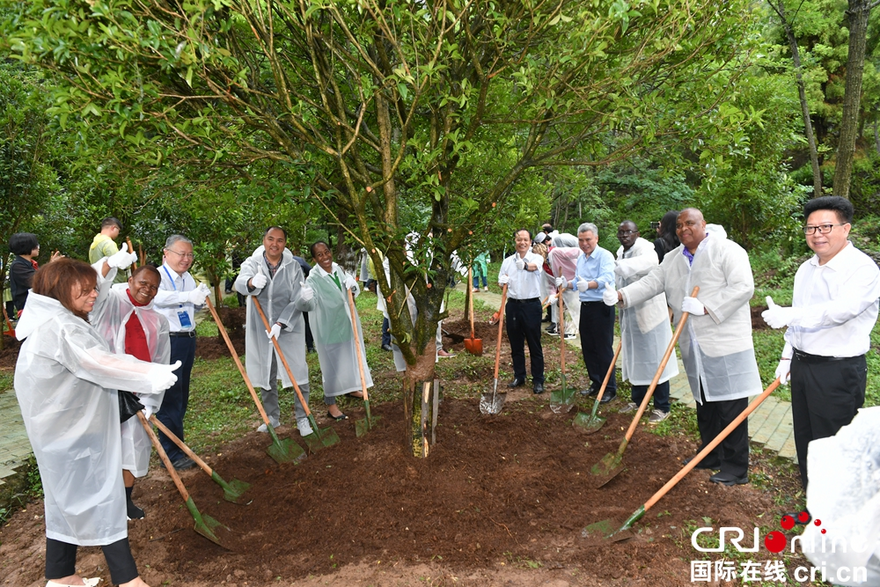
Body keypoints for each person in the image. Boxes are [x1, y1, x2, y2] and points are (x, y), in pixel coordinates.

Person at [14, 258, 180, 587]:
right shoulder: (63, 326)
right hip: (70, 430)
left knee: (64, 499)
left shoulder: (55, 318)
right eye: (86, 289)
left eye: (95, 288)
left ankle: (61, 576)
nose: (95, 295)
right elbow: (97, 361)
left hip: (62, 428)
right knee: (103, 497)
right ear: (61, 289)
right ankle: (128, 580)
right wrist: (151, 372)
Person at [606, 208, 762, 486]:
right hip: (694, 344)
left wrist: (706, 306)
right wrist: (621, 295)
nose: (683, 229)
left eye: (689, 223)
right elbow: (653, 282)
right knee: (705, 403)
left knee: (730, 407)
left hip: (725, 343)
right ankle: (710, 454)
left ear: (703, 224)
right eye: (678, 225)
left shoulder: (728, 250)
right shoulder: (674, 258)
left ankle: (736, 468)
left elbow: (743, 287)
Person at [761, 196, 880, 488]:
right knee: (807, 439)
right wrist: (787, 358)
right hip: (803, 366)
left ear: (846, 228)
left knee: (834, 443)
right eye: (811, 228)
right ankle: (815, 506)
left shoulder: (863, 269)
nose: (817, 234)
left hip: (836, 372)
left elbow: (841, 311)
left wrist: (792, 313)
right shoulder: (806, 269)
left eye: (826, 226)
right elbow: (798, 323)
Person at [91, 252, 170, 521]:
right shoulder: (110, 301)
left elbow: (160, 361)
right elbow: (96, 285)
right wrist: (109, 264)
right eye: (142, 283)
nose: (147, 290)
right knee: (103, 445)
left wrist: (151, 399)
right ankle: (101, 502)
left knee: (133, 446)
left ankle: (124, 502)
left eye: (153, 287)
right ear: (130, 279)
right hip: (104, 387)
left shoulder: (158, 321)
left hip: (136, 392)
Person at [234, 227, 313, 435]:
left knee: (298, 371)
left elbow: (297, 298)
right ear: (264, 240)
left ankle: (303, 416)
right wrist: (251, 282)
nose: (274, 244)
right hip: (261, 327)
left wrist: (281, 324)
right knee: (266, 371)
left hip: (288, 327)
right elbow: (239, 283)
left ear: (285, 243)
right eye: (271, 239)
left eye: (279, 240)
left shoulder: (293, 267)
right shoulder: (252, 263)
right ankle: (272, 416)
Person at [612, 221, 678, 423]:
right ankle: (638, 400)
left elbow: (649, 263)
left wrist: (620, 266)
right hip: (630, 314)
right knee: (636, 358)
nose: (624, 236)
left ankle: (661, 406)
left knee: (656, 359)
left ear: (637, 233)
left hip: (650, 315)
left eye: (628, 232)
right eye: (621, 232)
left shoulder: (646, 248)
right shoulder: (620, 252)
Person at [153, 235, 210, 470]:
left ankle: (177, 444)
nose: (186, 259)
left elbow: (186, 306)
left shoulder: (186, 278)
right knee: (170, 397)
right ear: (166, 253)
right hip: (168, 342)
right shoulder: (157, 276)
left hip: (187, 339)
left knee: (182, 394)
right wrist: (188, 296)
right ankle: (171, 453)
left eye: (189, 255)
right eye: (181, 254)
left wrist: (199, 302)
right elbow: (158, 297)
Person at [298, 241, 372, 420]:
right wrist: (305, 299)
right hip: (328, 328)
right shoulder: (313, 278)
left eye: (327, 252)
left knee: (349, 356)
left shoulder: (338, 269)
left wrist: (352, 286)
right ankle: (331, 404)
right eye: (320, 255)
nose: (325, 257)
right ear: (314, 259)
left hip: (346, 323)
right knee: (330, 366)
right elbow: (309, 304)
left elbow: (350, 294)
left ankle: (350, 388)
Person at [557, 223, 616, 402]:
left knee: (603, 348)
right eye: (581, 240)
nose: (584, 244)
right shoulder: (582, 258)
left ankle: (609, 388)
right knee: (588, 347)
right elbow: (578, 280)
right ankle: (596, 382)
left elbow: (607, 277)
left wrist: (589, 285)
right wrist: (567, 283)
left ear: (596, 238)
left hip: (602, 306)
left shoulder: (605, 255)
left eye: (588, 239)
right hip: (587, 306)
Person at [498, 229, 545, 394]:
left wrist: (524, 265)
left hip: (531, 305)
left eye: (525, 239)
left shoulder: (536, 258)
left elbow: (534, 267)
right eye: (519, 239)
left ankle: (538, 380)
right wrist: (502, 282)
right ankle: (519, 376)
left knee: (534, 343)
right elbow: (501, 281)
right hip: (513, 306)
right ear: (515, 241)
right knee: (515, 343)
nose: (522, 242)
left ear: (530, 242)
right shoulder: (507, 261)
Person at [8, 232, 62, 314]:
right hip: (29, 312)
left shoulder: (31, 264)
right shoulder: (18, 266)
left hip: (37, 309)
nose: (38, 247)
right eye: (35, 245)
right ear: (26, 246)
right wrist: (51, 265)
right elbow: (39, 282)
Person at [89, 217, 128, 284]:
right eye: (118, 230)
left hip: (98, 281)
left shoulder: (94, 243)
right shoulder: (108, 243)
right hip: (112, 285)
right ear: (113, 228)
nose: (118, 233)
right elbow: (120, 264)